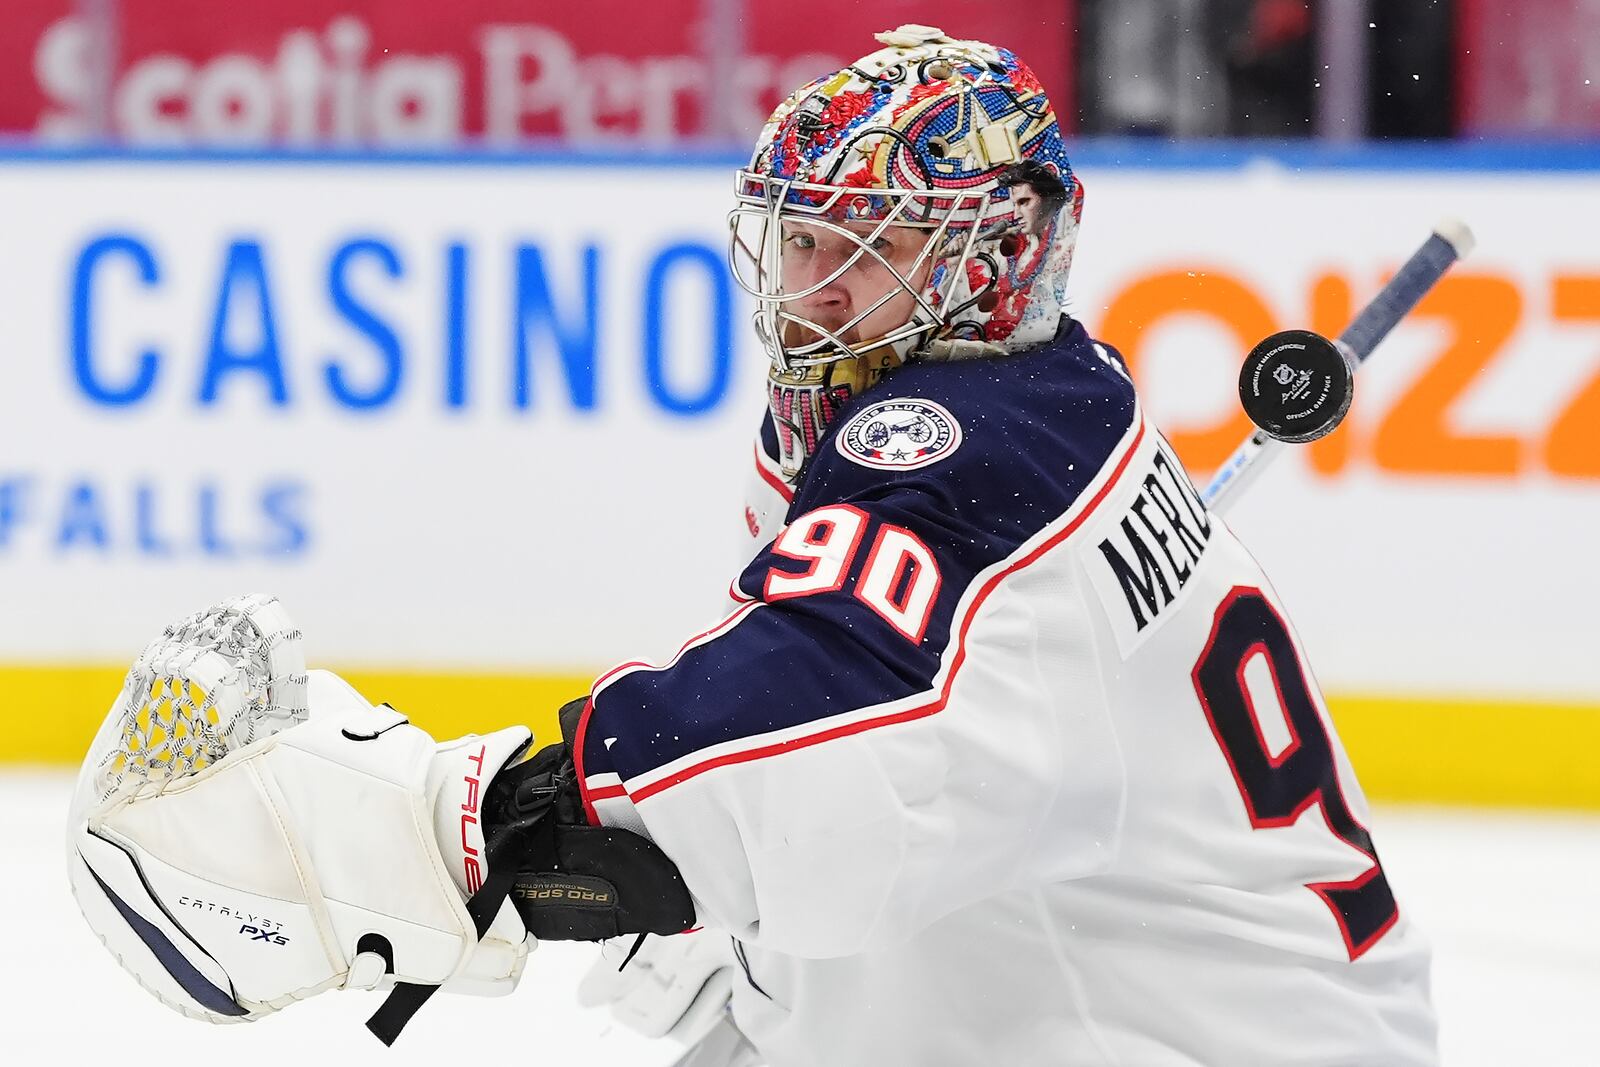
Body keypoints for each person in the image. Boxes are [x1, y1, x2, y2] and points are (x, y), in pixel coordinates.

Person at [68, 25, 1436, 1067]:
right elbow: (950, 763)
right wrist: (758, 950)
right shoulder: (1054, 400)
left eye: (873, 245)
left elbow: (828, 700)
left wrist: (478, 826)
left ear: (991, 257)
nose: (811, 288)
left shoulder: (963, 455)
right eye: (800, 240)